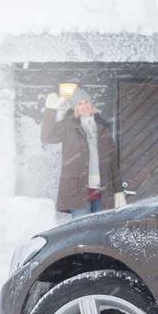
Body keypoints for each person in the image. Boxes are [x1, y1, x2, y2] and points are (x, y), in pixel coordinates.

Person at [40, 88, 119, 217]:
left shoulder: (103, 127)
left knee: (100, 232)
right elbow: (47, 137)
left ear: (91, 103)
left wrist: (118, 191)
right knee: (81, 232)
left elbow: (113, 161)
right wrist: (50, 110)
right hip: (78, 191)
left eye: (86, 102)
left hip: (103, 190)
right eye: (79, 103)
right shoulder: (68, 125)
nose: (84, 107)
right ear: (75, 107)